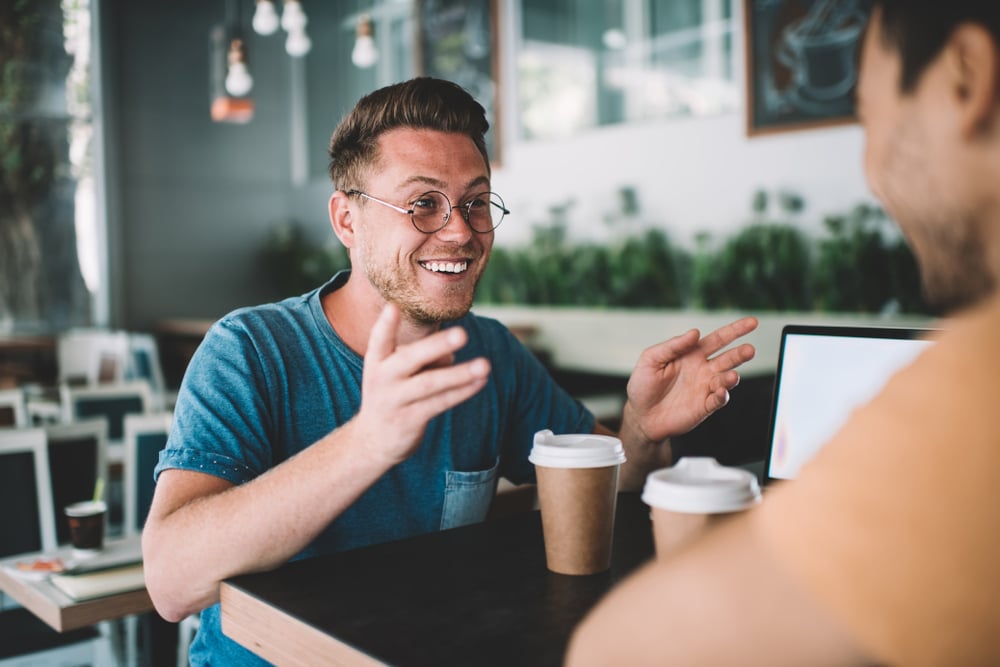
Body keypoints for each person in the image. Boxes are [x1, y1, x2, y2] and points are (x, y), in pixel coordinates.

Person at [141, 77, 758, 665]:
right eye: (424, 203)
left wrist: (642, 433)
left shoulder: (489, 352)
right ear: (347, 220)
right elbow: (171, 583)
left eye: (475, 202)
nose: (460, 229)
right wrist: (365, 444)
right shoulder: (251, 350)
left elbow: (610, 497)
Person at [566, 3, 1000, 665]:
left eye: (866, 114)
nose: (872, 169)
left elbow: (612, 650)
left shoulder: (978, 395)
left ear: (966, 78)